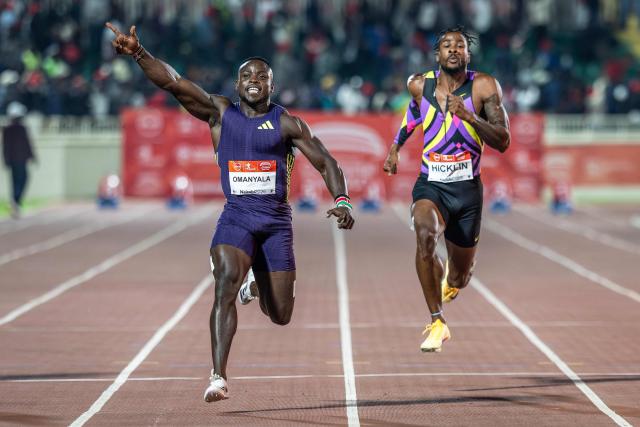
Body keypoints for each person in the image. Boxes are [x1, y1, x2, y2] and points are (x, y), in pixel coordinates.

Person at [106, 23, 355, 402]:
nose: (254, 80)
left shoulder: (287, 123)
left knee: (281, 314)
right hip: (236, 217)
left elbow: (326, 162)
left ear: (272, 85)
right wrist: (140, 54)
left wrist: (341, 200)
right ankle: (218, 376)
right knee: (223, 282)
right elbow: (174, 83)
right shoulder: (219, 113)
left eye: (262, 76)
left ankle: (257, 282)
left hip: (274, 223)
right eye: (247, 75)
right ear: (237, 84)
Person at [383, 27, 510, 353]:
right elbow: (413, 114)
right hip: (432, 184)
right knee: (425, 234)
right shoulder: (419, 84)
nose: (453, 50)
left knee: (459, 276)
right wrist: (396, 146)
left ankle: (453, 280)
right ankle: (437, 321)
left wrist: (470, 116)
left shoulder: (483, 85)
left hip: (467, 191)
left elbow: (503, 140)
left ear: (468, 54)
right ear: (437, 54)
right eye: (447, 46)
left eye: (460, 46)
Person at [2, 102, 36, 219]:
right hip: (18, 160)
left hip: (16, 159)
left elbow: (27, 144)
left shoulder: (14, 129)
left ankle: (16, 201)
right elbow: (7, 146)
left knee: (19, 180)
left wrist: (32, 156)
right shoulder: (13, 129)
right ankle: (16, 200)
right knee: (19, 180)